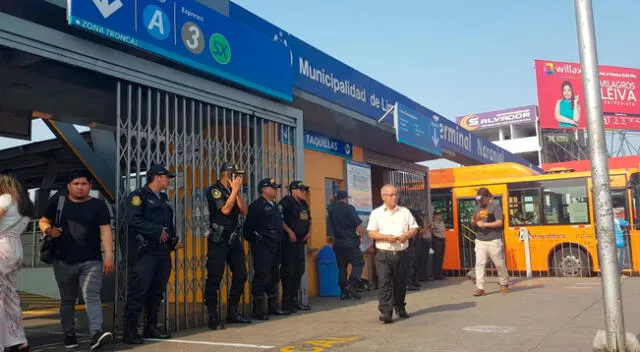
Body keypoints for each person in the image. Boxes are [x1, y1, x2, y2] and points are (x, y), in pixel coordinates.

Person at [38, 170, 114, 350]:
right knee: (68, 299)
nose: (80, 187)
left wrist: (109, 256)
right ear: (69, 186)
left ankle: (96, 332)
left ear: (90, 186)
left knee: (92, 295)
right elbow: (43, 221)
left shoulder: (98, 205)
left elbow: (105, 230)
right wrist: (49, 231)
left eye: (84, 184)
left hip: (92, 260)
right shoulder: (59, 202)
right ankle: (69, 334)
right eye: (76, 184)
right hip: (63, 260)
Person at [122, 164, 179, 344]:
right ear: (156, 177)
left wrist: (172, 239)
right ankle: (130, 331)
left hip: (162, 252)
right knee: (138, 291)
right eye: (166, 177)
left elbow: (167, 223)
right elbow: (133, 220)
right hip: (145, 252)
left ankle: (151, 327)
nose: (168, 180)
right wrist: (155, 231)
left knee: (156, 292)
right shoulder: (138, 197)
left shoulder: (162, 198)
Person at [204, 162, 251, 330]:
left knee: (241, 274)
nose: (238, 177)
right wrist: (235, 191)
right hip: (219, 239)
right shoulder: (214, 190)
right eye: (235, 174)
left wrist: (236, 192)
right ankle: (212, 315)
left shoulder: (234, 191)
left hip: (233, 239)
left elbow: (245, 211)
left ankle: (232, 311)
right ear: (226, 174)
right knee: (215, 277)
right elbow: (224, 209)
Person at [367, 184, 418, 324]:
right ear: (383, 197)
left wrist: (406, 235)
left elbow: (414, 228)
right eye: (391, 195)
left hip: (402, 253)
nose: (394, 197)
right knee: (384, 282)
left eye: (396, 194)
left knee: (400, 282)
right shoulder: (376, 213)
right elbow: (371, 232)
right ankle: (386, 312)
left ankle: (400, 307)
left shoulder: (405, 212)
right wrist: (386, 237)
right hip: (383, 253)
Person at [0, 174, 35, 352]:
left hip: (1, 246)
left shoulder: (6, 199)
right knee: (10, 297)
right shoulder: (25, 205)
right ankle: (19, 341)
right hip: (16, 249)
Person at [243, 178, 283, 320]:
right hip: (262, 247)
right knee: (261, 276)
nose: (275, 190)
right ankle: (258, 310)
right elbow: (247, 229)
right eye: (273, 188)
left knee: (274, 276)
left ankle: (272, 307)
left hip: (274, 246)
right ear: (264, 189)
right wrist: (258, 240)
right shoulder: (257, 206)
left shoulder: (275, 205)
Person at [279, 181, 312, 312]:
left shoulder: (303, 203)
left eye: (304, 190)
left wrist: (309, 232)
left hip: (300, 242)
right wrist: (289, 231)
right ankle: (286, 304)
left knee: (299, 271)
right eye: (301, 190)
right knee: (288, 272)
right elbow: (279, 219)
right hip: (289, 242)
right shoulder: (286, 202)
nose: (304, 192)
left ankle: (294, 301)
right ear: (293, 190)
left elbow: (309, 219)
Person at [471, 187, 508, 296]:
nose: (480, 201)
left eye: (482, 199)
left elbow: (499, 222)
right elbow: (472, 222)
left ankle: (503, 282)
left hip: (493, 240)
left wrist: (485, 224)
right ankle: (480, 287)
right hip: (480, 240)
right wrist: (475, 219)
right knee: (479, 264)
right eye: (479, 199)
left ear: (488, 197)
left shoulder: (495, 207)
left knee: (499, 263)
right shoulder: (477, 207)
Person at [327, 190, 364, 300]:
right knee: (359, 263)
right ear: (345, 199)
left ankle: (343, 292)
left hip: (337, 243)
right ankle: (351, 285)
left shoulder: (331, 210)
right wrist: (361, 237)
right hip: (350, 242)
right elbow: (358, 225)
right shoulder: (349, 208)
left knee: (342, 267)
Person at [400, 198, 425, 290]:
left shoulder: (410, 213)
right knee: (410, 262)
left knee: (412, 261)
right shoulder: (410, 213)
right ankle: (409, 282)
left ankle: (411, 281)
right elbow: (419, 227)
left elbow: (419, 227)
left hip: (409, 240)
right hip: (408, 240)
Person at [430, 212, 446, 280]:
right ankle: (437, 274)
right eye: (439, 215)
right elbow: (431, 230)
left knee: (441, 258)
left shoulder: (441, 222)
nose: (440, 216)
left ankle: (440, 273)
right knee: (437, 258)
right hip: (437, 241)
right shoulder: (433, 223)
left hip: (442, 240)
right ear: (435, 216)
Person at [613, 208, 629, 275]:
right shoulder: (617, 220)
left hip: (614, 243)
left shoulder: (609, 221)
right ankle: (618, 273)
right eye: (615, 213)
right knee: (620, 259)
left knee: (616, 258)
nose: (616, 214)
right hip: (619, 242)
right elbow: (627, 223)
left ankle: (616, 272)